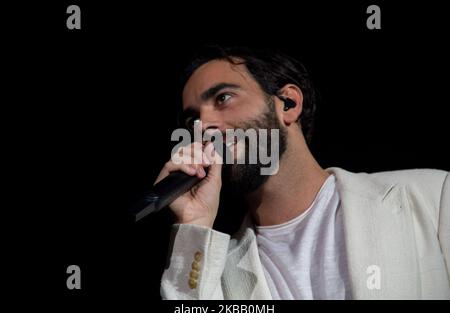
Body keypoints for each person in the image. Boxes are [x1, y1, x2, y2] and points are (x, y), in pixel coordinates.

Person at [155, 46, 450, 299]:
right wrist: (194, 223)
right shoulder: (212, 267)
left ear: (289, 104)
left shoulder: (433, 196)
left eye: (223, 98)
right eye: (192, 118)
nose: (202, 126)